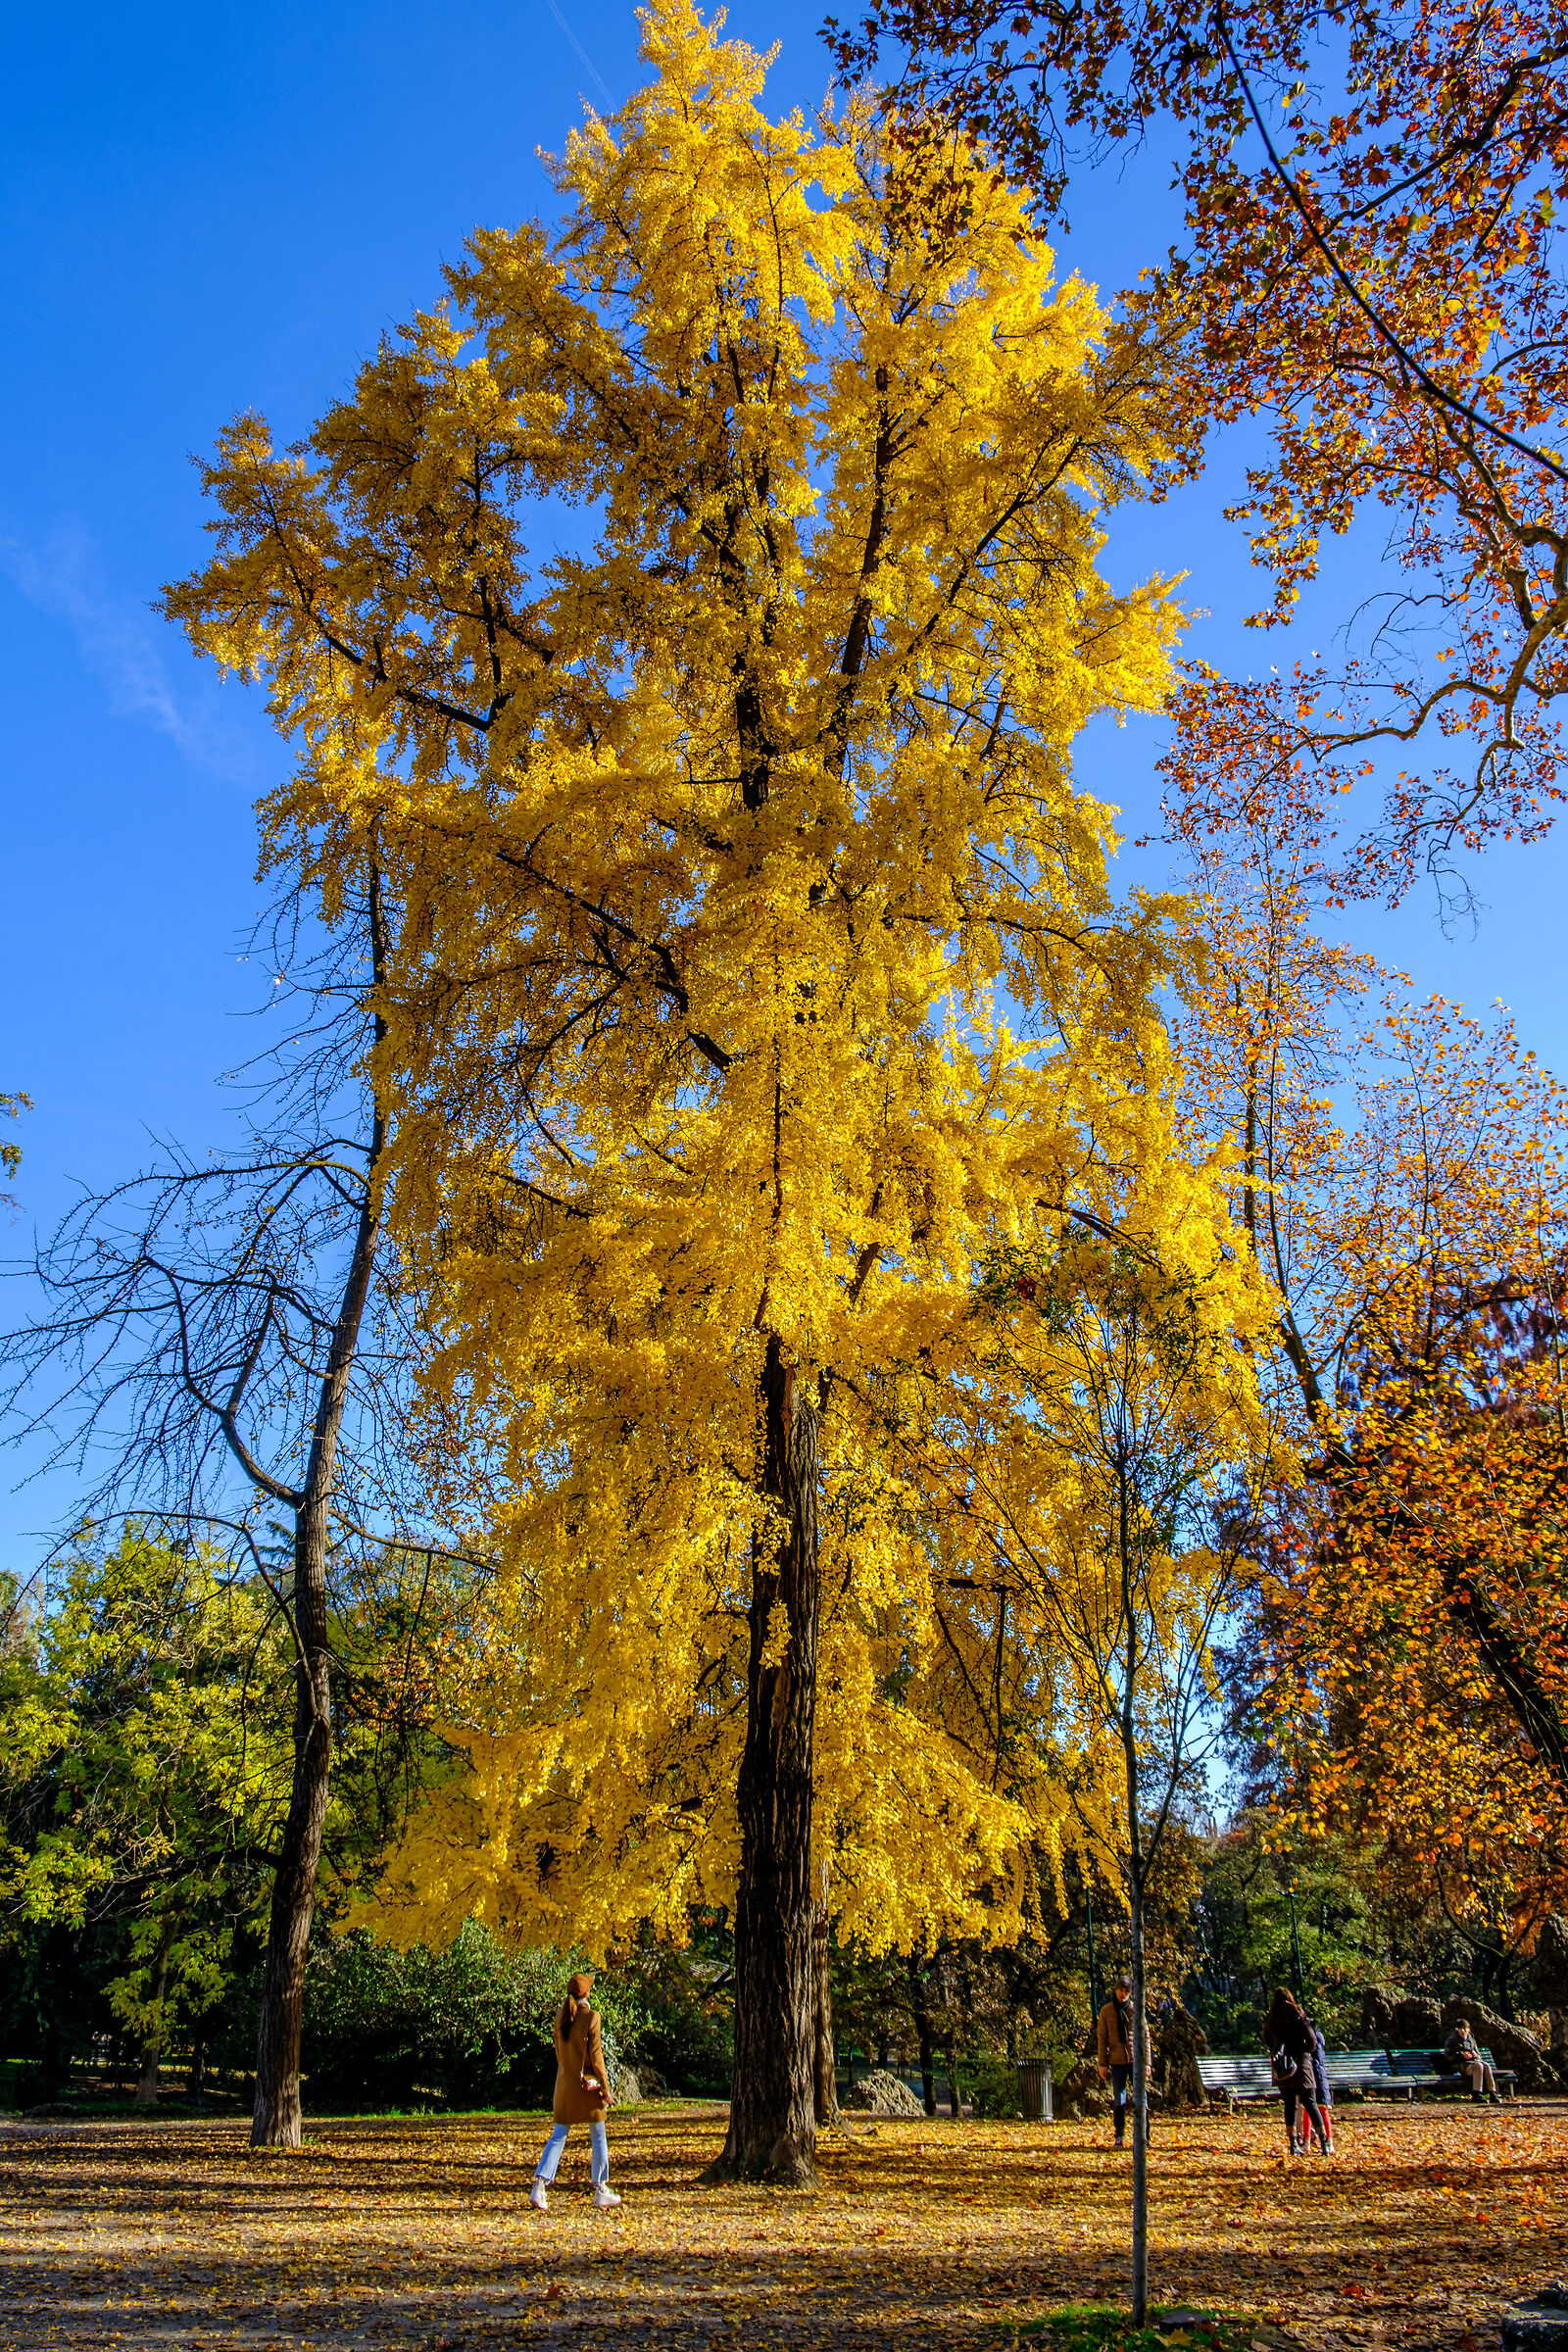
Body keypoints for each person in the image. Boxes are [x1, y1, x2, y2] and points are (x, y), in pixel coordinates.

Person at [530, 1971, 621, 2212]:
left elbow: (559, 2054)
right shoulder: (592, 2017)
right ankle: (601, 2188)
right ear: (587, 1993)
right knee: (599, 2135)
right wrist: (604, 2086)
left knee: (558, 2136)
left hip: (564, 2087)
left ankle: (539, 2186)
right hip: (588, 2087)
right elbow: (597, 2057)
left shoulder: (561, 2016)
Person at [1263, 1987, 1329, 2158]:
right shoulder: (1297, 2012)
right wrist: (1305, 2050)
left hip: (1282, 2065)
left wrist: (1278, 2050)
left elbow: (1267, 2040)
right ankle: (1324, 2143)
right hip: (1301, 2061)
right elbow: (1312, 2039)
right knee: (1310, 2102)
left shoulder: (1271, 2017)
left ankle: (1293, 2144)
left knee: (1289, 2106)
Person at [1097, 1974, 1152, 2150]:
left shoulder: (1136, 2010)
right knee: (1119, 2099)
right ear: (1116, 1990)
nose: (1123, 1994)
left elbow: (1145, 2036)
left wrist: (1147, 2063)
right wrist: (1102, 2064)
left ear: (1130, 1992)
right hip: (1116, 2061)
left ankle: (1144, 2136)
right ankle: (1119, 2135)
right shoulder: (1106, 2011)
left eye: (1126, 1991)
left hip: (1135, 2060)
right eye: (1121, 1990)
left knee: (1141, 2099)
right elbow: (1102, 2039)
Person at [1443, 2018, 1501, 2104]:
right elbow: (1448, 2057)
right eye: (1460, 2029)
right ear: (1457, 2029)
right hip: (1461, 2066)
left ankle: (1492, 2093)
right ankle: (1476, 2094)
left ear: (1468, 2030)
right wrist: (1462, 2055)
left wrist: (1475, 2055)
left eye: (1465, 2029)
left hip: (1473, 2064)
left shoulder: (1471, 2039)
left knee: (1486, 2065)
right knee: (1479, 2066)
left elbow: (1479, 2056)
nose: (1463, 2032)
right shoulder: (1452, 2040)